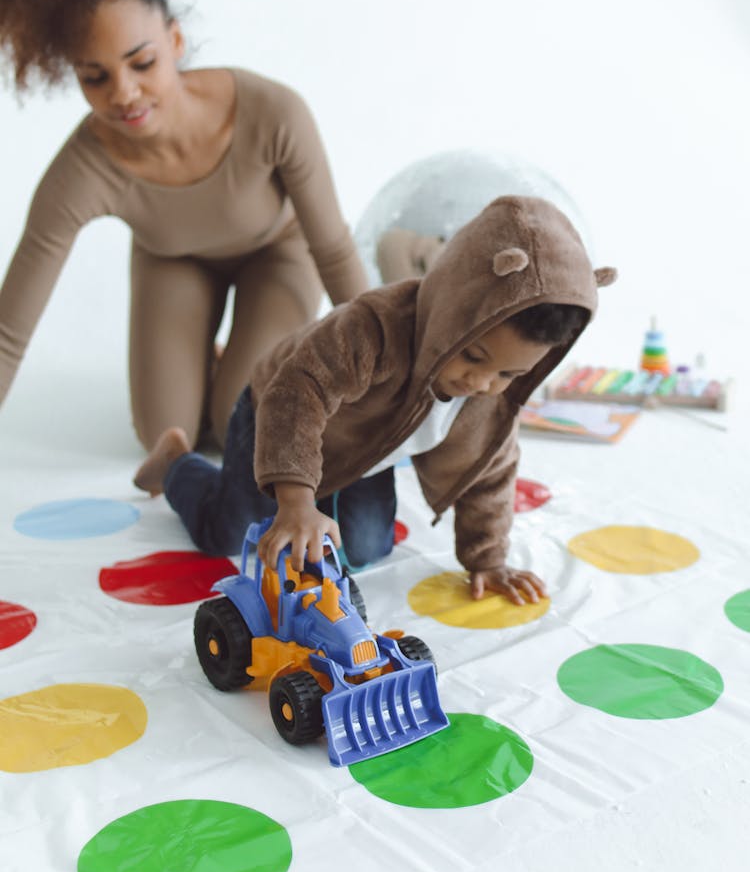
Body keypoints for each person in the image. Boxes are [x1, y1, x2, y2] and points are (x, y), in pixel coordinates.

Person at [0, 0, 368, 449]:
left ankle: (237, 361)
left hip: (278, 256)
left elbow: (336, 251)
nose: (123, 93)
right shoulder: (83, 169)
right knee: (167, 437)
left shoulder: (274, 113)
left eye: (141, 62)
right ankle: (211, 359)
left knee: (237, 427)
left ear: (174, 41)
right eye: (94, 76)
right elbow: (8, 331)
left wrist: (397, 370)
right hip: (172, 263)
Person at [134, 194, 616, 604]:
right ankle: (176, 463)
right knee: (231, 532)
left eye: (509, 373)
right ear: (450, 307)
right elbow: (297, 394)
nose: (482, 383)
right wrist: (297, 500)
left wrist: (487, 559)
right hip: (277, 413)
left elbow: (489, 471)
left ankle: (318, 494)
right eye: (472, 355)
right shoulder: (373, 328)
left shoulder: (493, 395)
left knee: (364, 548)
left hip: (367, 449)